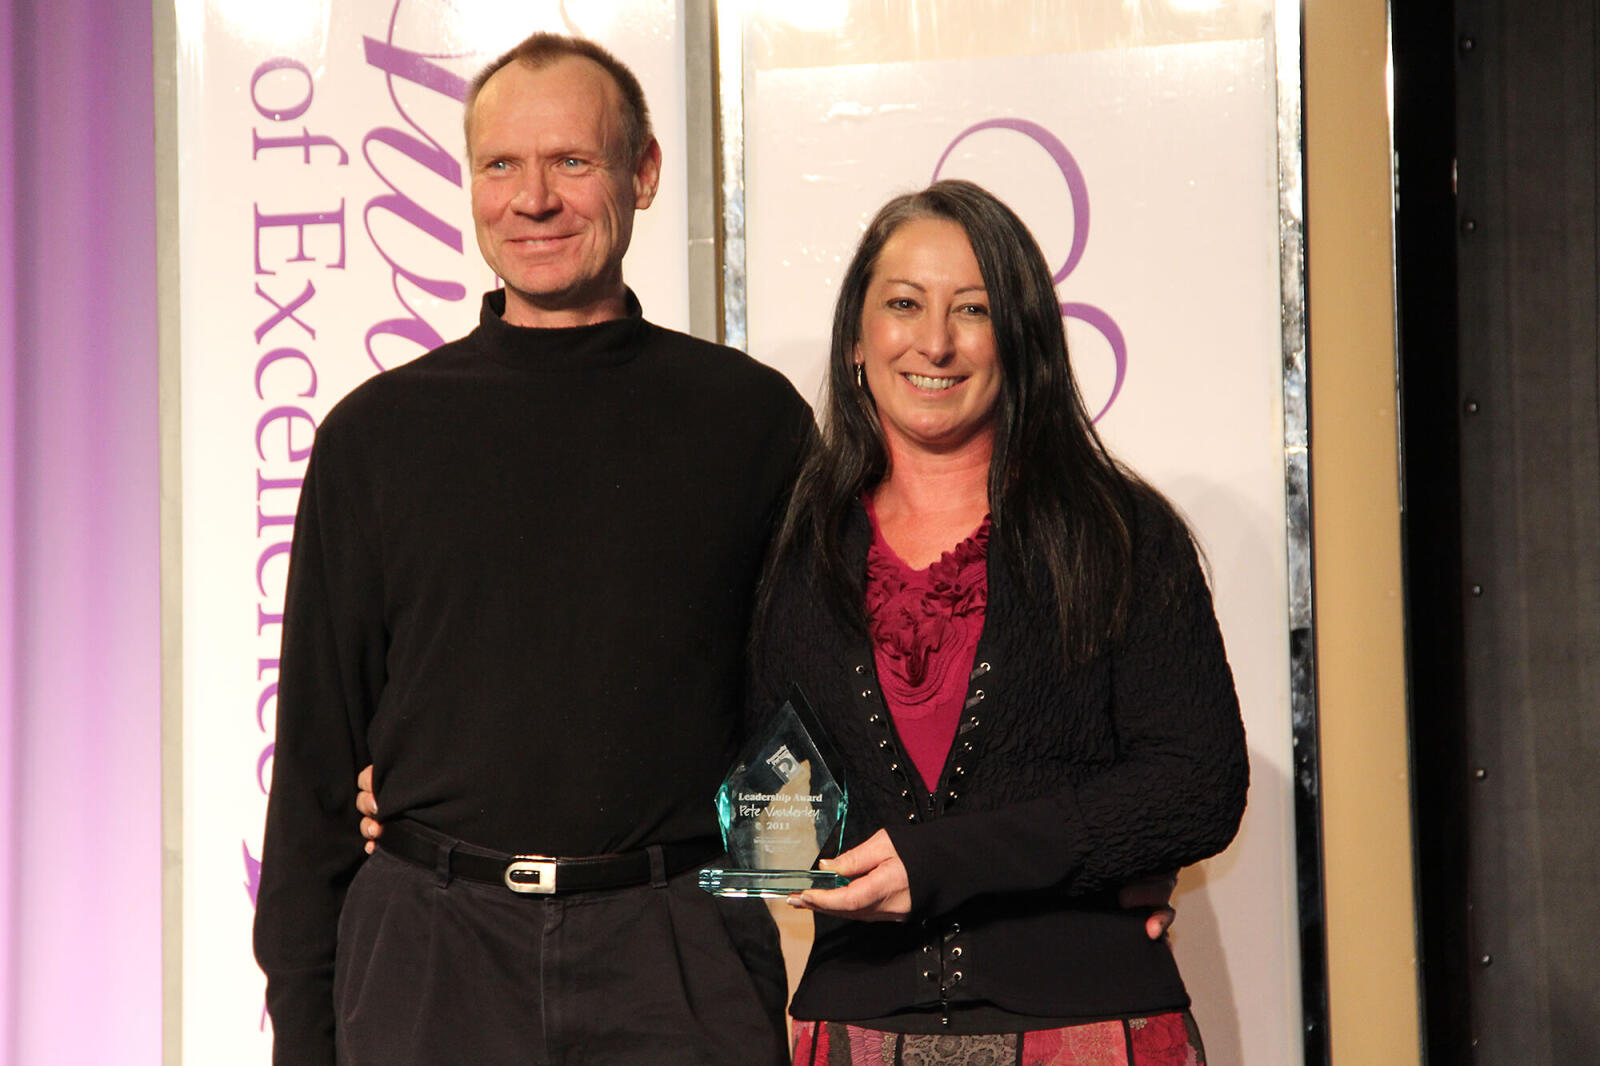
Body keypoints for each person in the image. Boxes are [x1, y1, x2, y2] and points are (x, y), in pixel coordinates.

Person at [251, 32, 812, 1066]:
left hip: (673, 949)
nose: (533, 199)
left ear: (642, 173)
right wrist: (303, 1024)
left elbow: (813, 712)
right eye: (501, 165)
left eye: (572, 161)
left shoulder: (752, 421)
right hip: (429, 949)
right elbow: (317, 772)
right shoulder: (376, 434)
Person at [750, 180, 1250, 1063]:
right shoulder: (799, 552)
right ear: (858, 341)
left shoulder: (1119, 535)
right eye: (904, 304)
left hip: (1091, 1029)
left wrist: (948, 859)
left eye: (972, 309)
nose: (934, 341)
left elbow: (1198, 785)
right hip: (857, 1028)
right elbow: (776, 803)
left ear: (1019, 341)